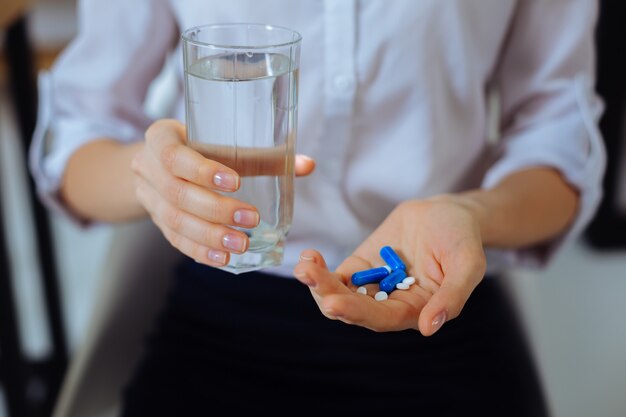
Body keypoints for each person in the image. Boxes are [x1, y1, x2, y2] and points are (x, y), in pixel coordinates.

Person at [30, 1, 605, 416]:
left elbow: (557, 139)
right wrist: (152, 178)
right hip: (227, 304)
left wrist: (473, 213)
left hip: (435, 307)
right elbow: (79, 142)